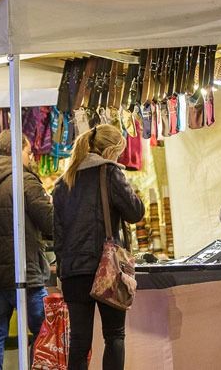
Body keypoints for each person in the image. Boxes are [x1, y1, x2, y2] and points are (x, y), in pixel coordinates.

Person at [53, 124, 145, 370]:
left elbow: (58, 235)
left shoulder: (64, 181)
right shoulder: (110, 173)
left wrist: (62, 272)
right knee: (114, 335)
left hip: (73, 272)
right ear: (111, 151)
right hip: (106, 269)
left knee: (79, 341)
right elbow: (135, 212)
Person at [0, 130, 53, 370]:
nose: (30, 158)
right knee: (43, 329)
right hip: (25, 270)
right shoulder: (23, 178)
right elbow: (48, 221)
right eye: (28, 152)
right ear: (18, 151)